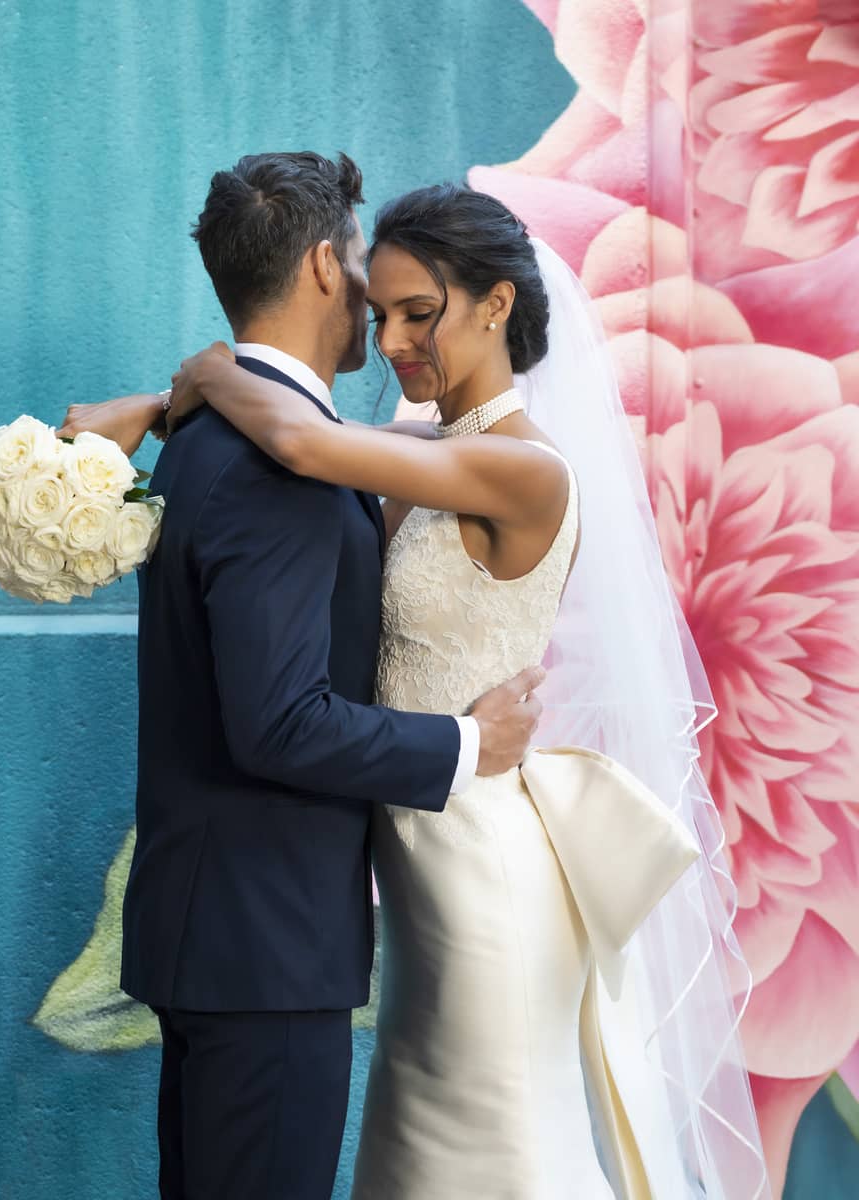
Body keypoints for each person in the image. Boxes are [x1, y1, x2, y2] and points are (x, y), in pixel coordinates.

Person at [66, 179, 770, 1197]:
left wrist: (203, 371)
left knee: (488, 1141)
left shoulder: (528, 473)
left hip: (478, 850)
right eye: (381, 309)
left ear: (494, 306)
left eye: (419, 313)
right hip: (408, 858)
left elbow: (301, 440)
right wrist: (162, 406)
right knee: (418, 1143)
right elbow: (295, 437)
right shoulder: (429, 453)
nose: (393, 341)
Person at [58, 154, 545, 1200]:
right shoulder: (279, 462)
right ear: (327, 265)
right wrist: (468, 743)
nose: (381, 309)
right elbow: (279, 723)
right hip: (268, 951)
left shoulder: (220, 441)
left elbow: (304, 438)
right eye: (367, 266)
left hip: (228, 934)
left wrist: (179, 386)